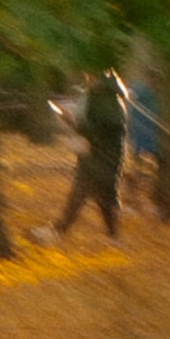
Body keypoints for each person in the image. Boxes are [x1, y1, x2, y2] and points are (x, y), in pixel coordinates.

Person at [54, 69, 127, 241]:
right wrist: (74, 122)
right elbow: (92, 128)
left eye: (90, 76)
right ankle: (114, 237)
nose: (87, 79)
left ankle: (59, 231)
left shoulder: (107, 101)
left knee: (88, 193)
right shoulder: (99, 98)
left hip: (103, 156)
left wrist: (72, 122)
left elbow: (100, 130)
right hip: (96, 155)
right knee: (100, 196)